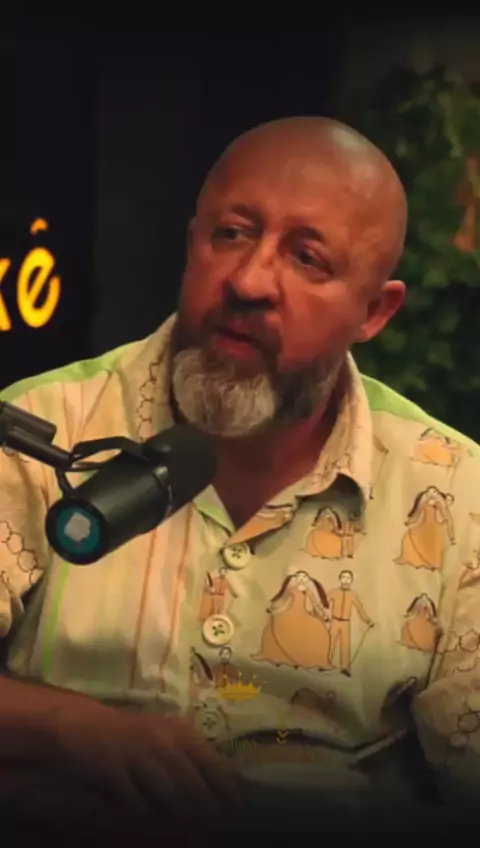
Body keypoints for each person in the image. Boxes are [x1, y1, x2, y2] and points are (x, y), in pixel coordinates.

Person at [0, 115, 479, 834]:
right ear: (191, 242)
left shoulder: (454, 491)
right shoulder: (41, 430)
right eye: (231, 234)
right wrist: (74, 730)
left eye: (307, 258)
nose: (250, 280)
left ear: (374, 312)